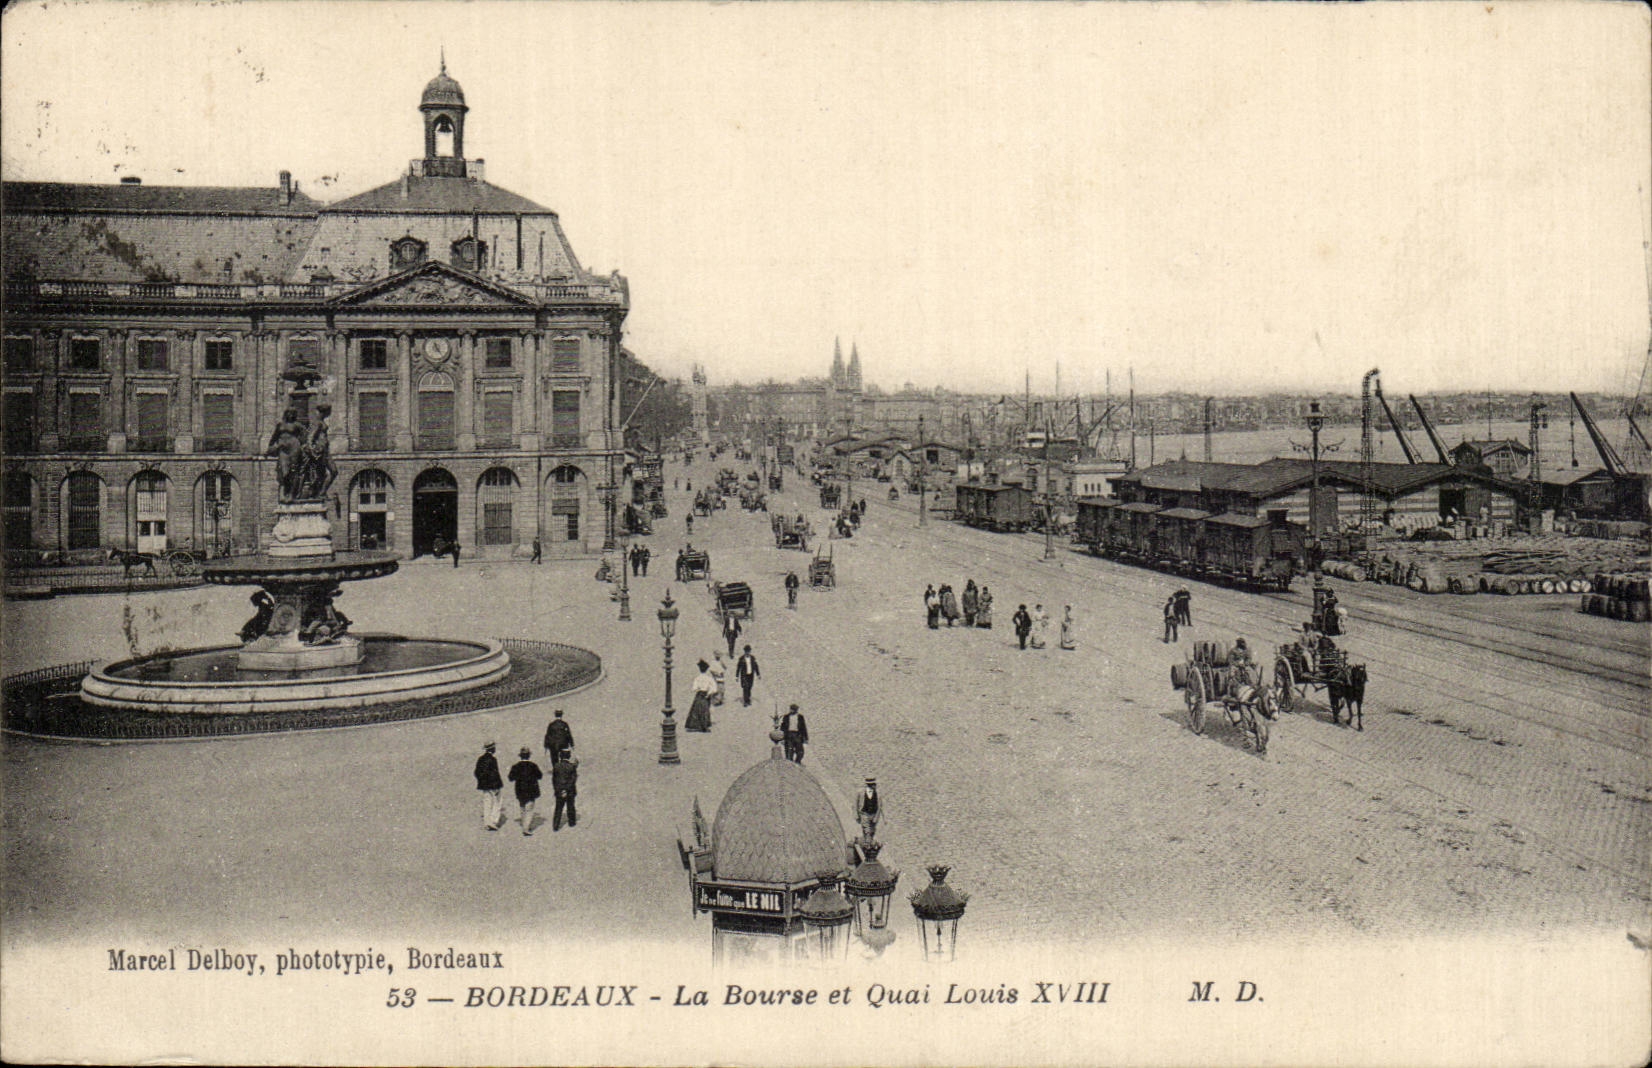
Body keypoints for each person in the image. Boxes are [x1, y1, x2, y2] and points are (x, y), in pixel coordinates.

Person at [507, 747, 543, 836]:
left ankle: (524, 825)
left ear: (520, 756)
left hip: (520, 790)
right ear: (529, 756)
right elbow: (540, 776)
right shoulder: (533, 765)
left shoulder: (516, 766)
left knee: (522, 807)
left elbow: (510, 778)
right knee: (529, 809)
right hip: (531, 790)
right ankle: (526, 828)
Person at [474, 741, 504, 831]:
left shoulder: (481, 759)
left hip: (484, 785)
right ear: (492, 749)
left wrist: (482, 781)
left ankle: (487, 822)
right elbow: (495, 773)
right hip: (493, 785)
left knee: (487, 803)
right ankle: (493, 821)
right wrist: (497, 785)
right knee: (497, 802)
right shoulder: (493, 760)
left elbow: (476, 772)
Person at [551, 747, 579, 831]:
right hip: (570, 791)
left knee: (558, 808)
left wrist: (558, 789)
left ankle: (555, 826)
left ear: (560, 756)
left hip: (559, 790)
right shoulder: (571, 767)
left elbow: (554, 780)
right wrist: (566, 789)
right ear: (569, 756)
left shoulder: (556, 766)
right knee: (570, 806)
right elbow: (573, 780)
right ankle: (572, 822)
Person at [685, 660, 715, 732]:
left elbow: (694, 688)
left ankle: (695, 725)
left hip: (699, 694)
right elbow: (714, 688)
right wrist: (708, 693)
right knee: (705, 710)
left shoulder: (697, 678)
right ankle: (704, 726)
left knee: (697, 709)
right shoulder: (709, 678)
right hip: (705, 694)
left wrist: (699, 689)